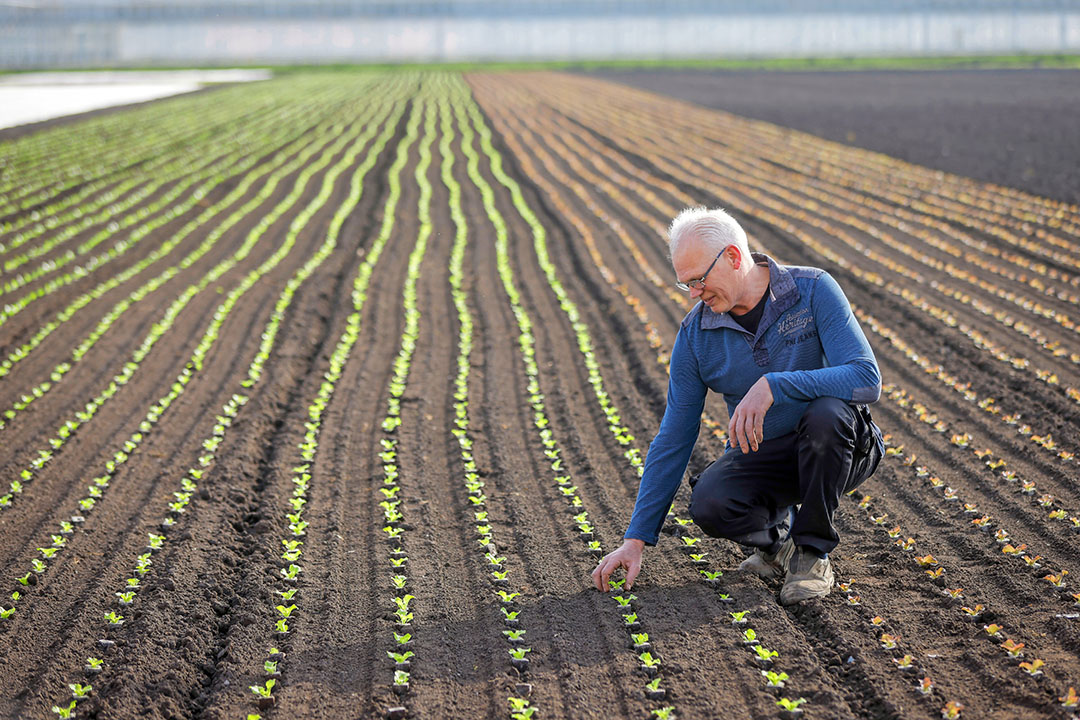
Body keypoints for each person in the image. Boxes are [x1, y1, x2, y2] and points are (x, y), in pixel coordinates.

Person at [591, 206, 884, 605]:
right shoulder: (697, 336)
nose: (694, 294)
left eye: (698, 280)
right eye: (686, 285)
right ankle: (779, 545)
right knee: (711, 500)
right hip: (772, 456)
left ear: (732, 257)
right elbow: (674, 436)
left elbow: (866, 378)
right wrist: (635, 541)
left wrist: (776, 385)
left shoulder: (812, 290)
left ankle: (812, 554)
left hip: (840, 447)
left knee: (826, 414)